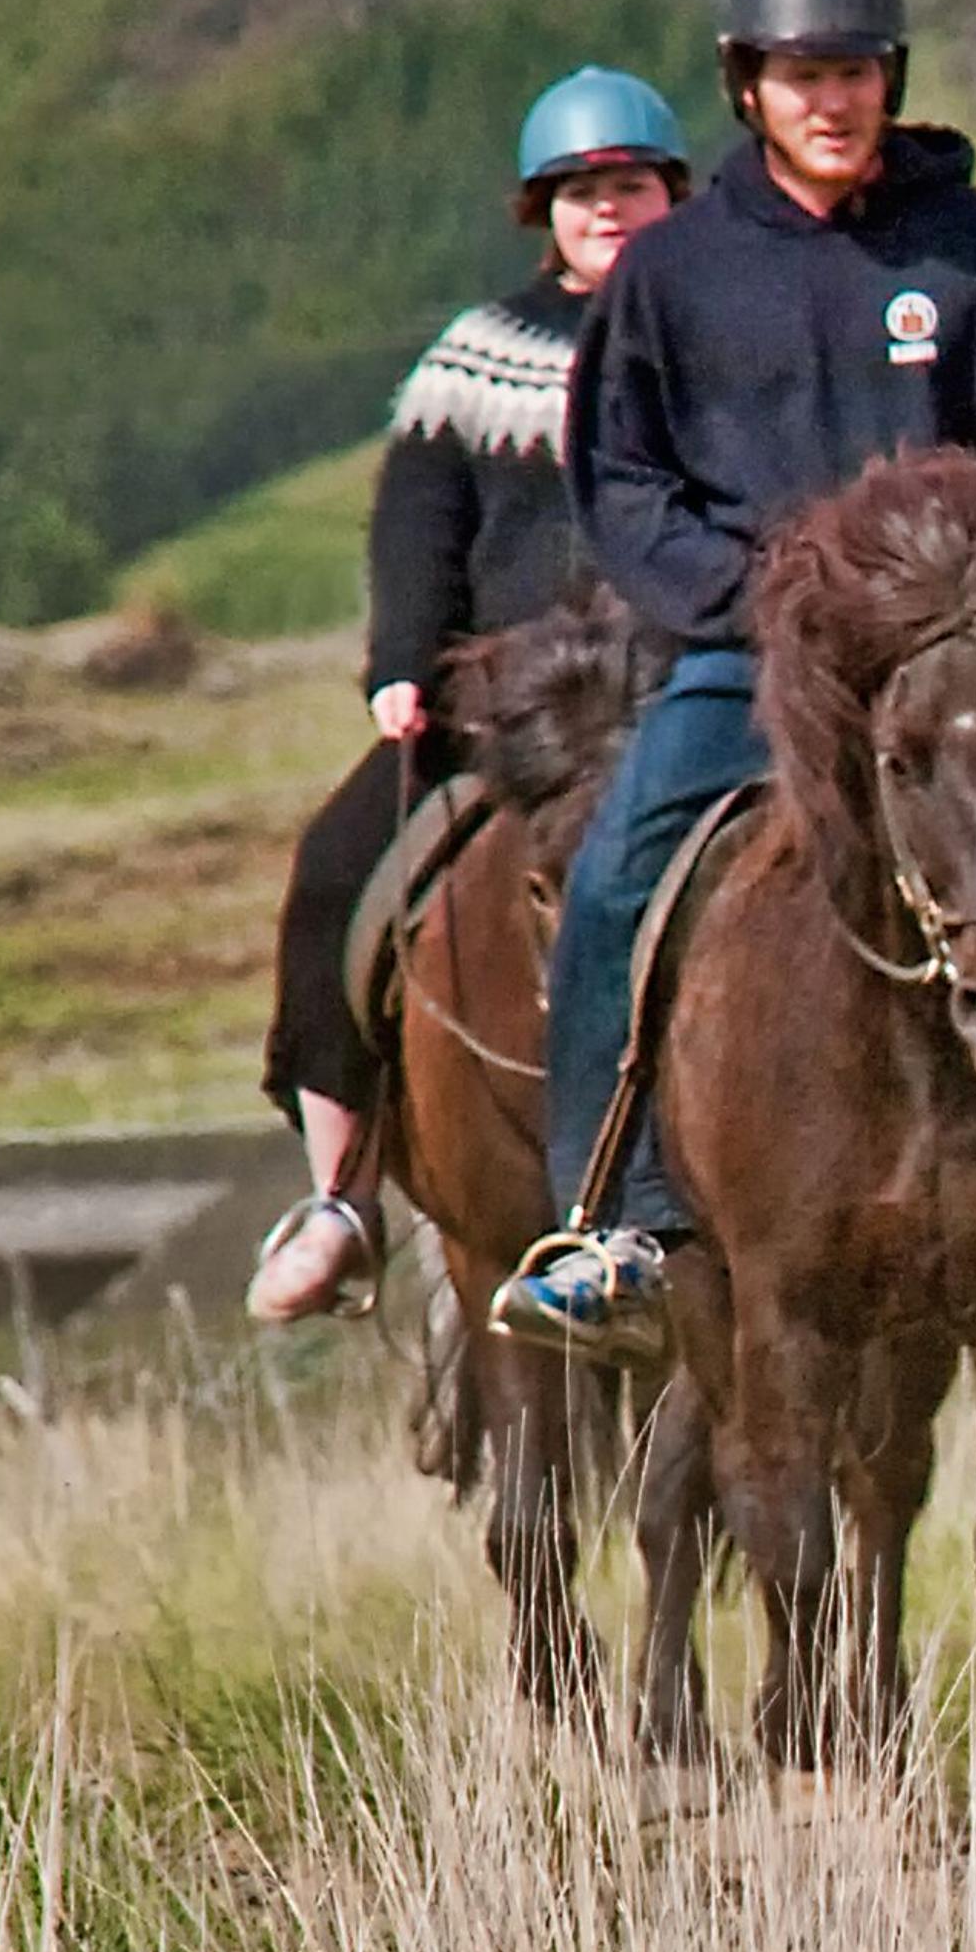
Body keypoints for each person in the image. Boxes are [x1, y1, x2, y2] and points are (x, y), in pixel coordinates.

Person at [491, 0, 976, 1357]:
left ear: (893, 78)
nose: (831, 98)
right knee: (620, 884)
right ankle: (621, 1223)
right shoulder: (672, 276)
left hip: (972, 664)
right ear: (745, 84)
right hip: (747, 666)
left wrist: (966, 604)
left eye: (858, 69)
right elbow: (625, 484)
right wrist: (762, 606)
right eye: (798, 72)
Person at [244, 68, 691, 1323]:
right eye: (584, 191)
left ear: (675, 196)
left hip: (676, 701)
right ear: (544, 208)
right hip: (501, 718)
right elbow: (417, 528)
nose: (610, 209)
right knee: (336, 871)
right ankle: (339, 1192)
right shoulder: (473, 356)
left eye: (633, 186)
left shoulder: (713, 335)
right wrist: (400, 664)